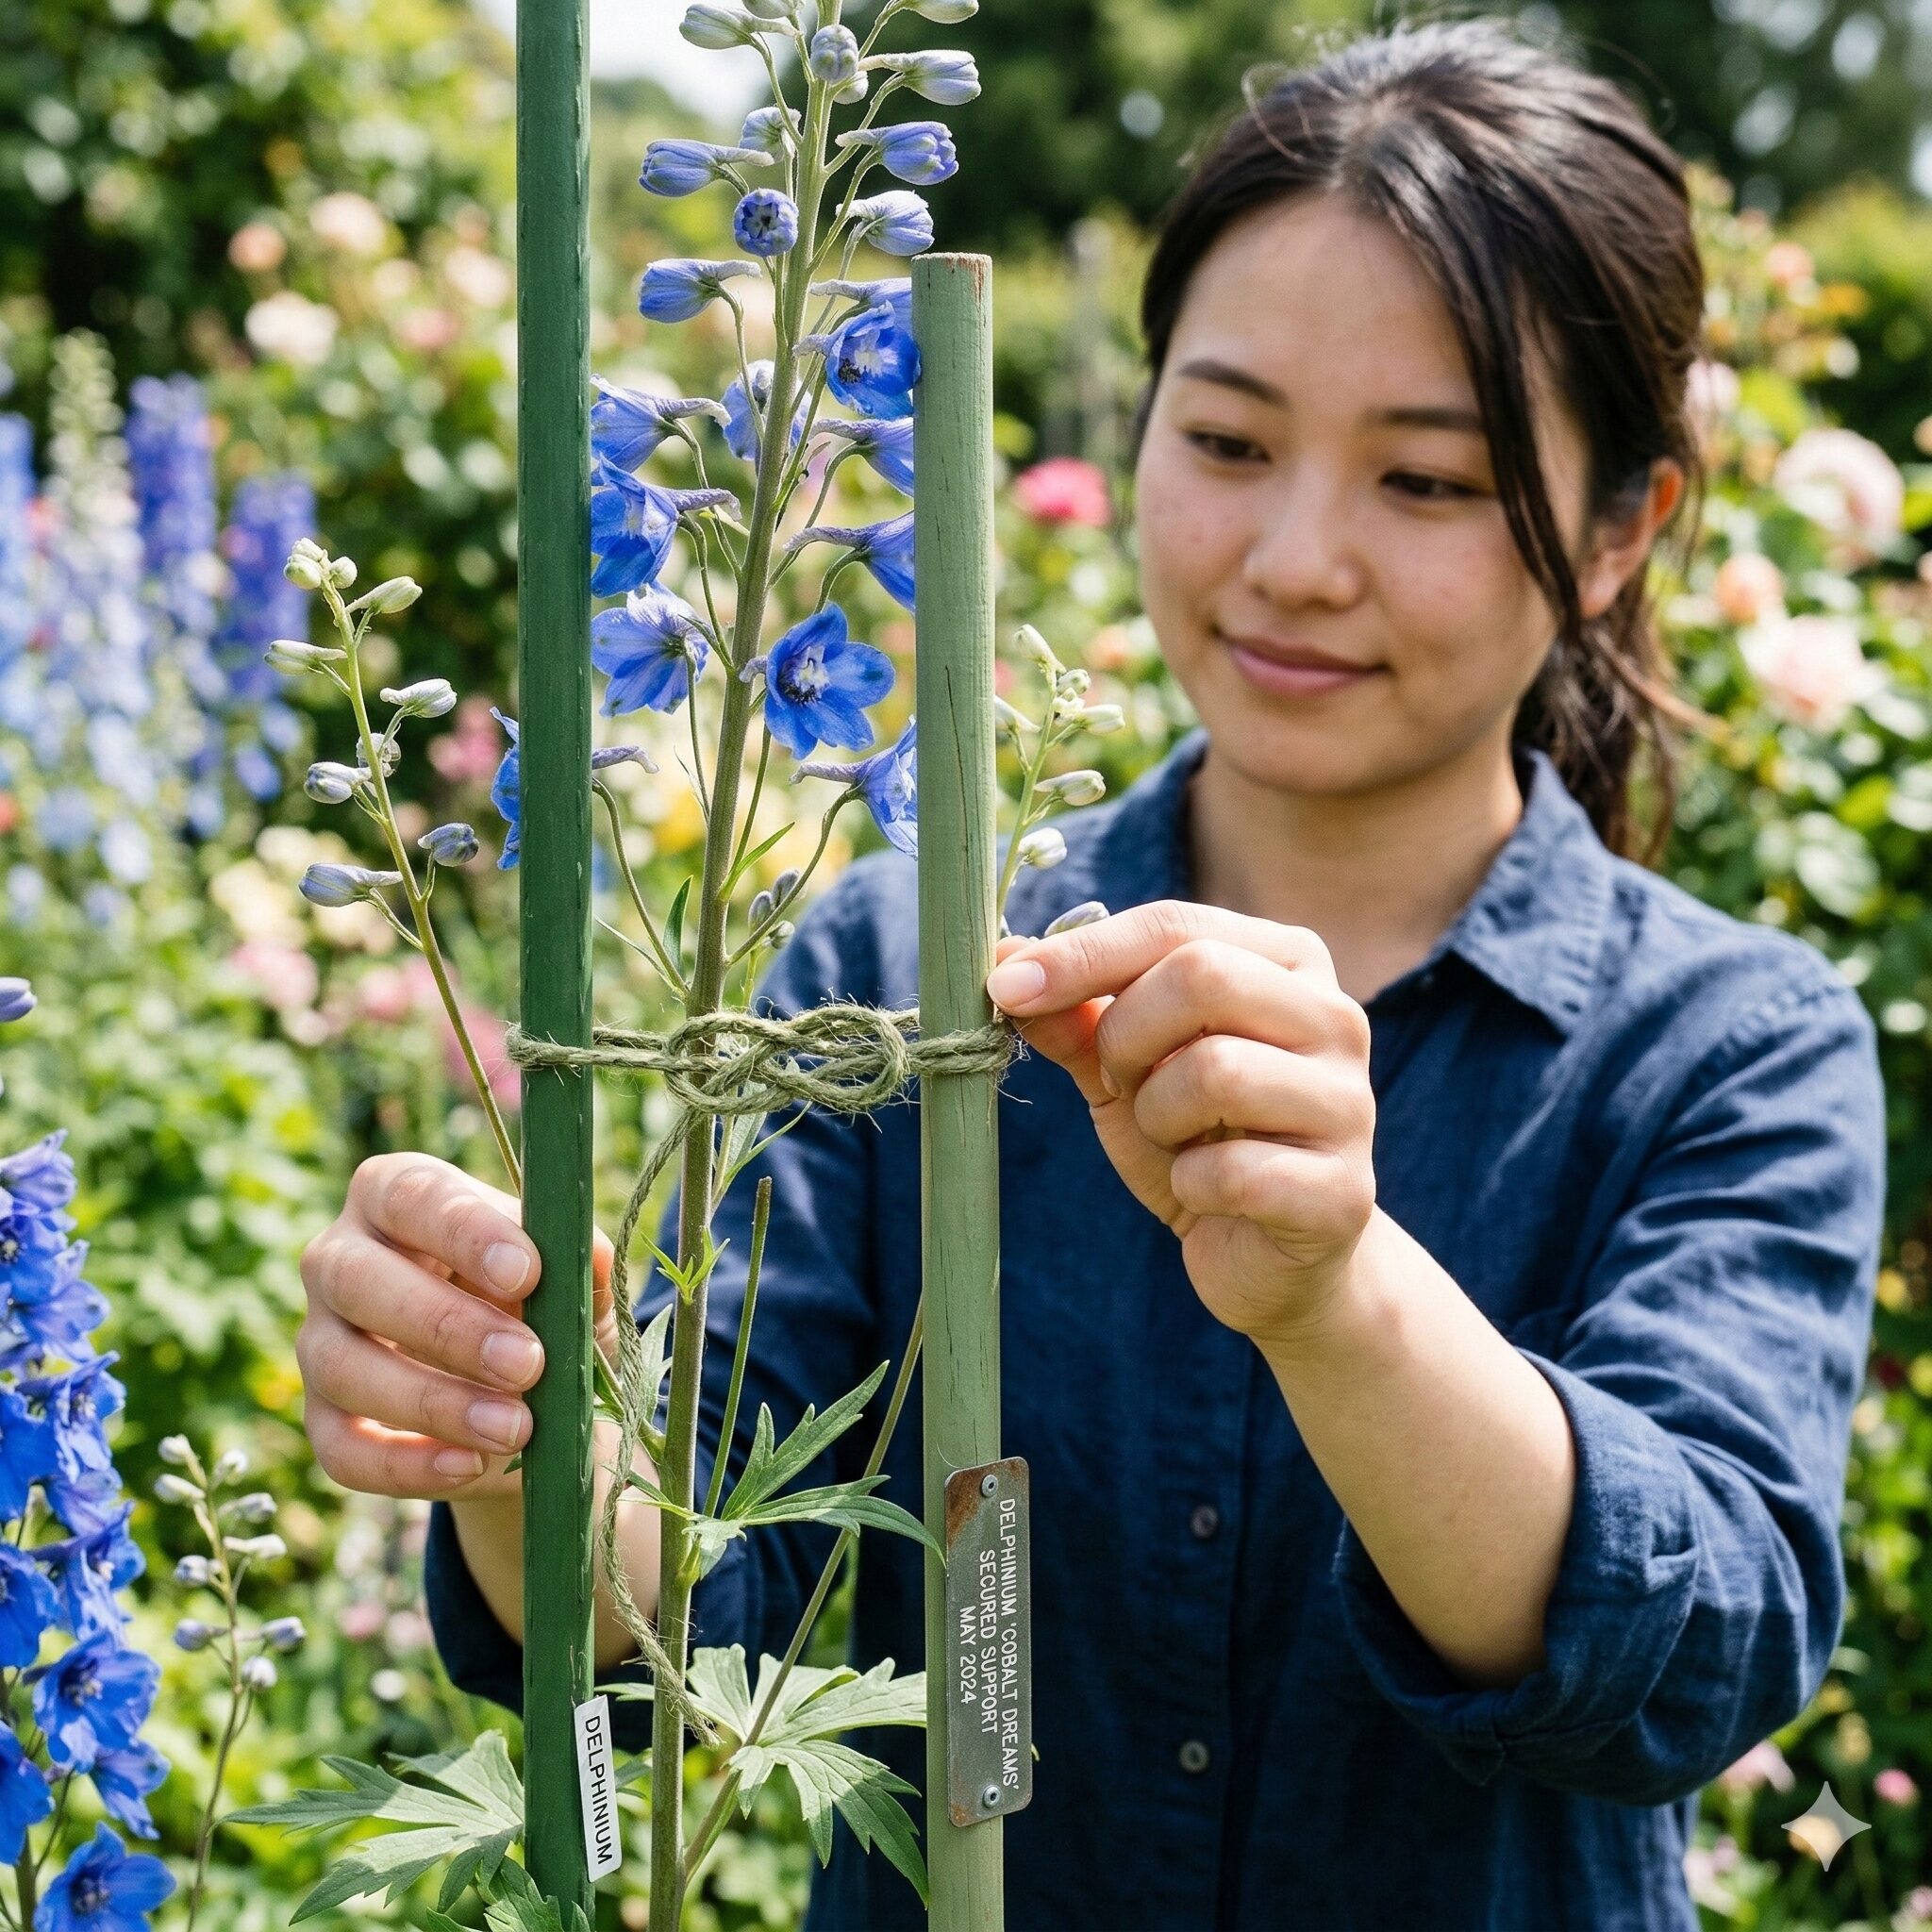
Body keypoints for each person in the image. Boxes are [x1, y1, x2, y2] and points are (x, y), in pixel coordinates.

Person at [295, 19, 1888, 1929]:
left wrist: (1336, 1293)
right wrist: (503, 1416)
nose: (1296, 558)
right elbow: (689, 1588)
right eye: (1224, 441)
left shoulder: (1728, 1048)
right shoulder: (899, 961)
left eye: (1429, 482)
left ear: (1625, 525)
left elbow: (1701, 1640)